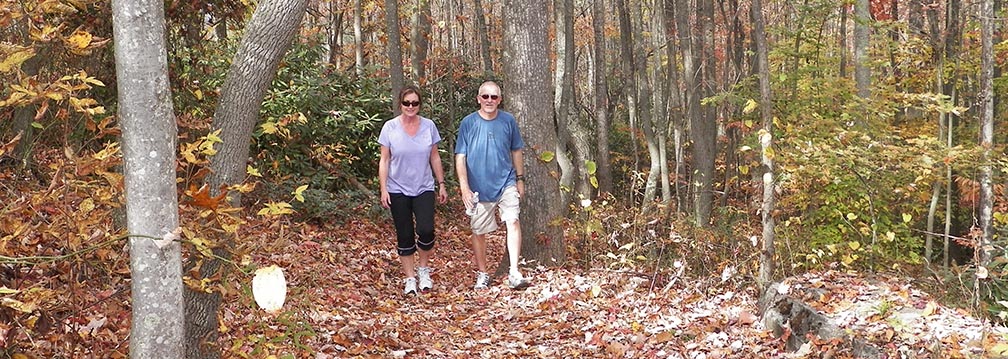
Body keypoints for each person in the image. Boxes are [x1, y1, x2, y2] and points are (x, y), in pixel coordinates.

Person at [454, 81, 530, 290]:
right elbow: (460, 156)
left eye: (494, 97)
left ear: (499, 100)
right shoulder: (468, 123)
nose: (489, 100)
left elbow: (516, 151)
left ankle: (514, 271)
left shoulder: (508, 121)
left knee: (512, 220)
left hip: (506, 181)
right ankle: (482, 273)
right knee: (478, 231)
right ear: (478, 98)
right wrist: (464, 187)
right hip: (478, 187)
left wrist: (520, 179)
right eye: (485, 96)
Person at [378, 85, 449, 295]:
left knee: (426, 230)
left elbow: (434, 156)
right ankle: (410, 278)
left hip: (424, 187)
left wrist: (442, 183)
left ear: (420, 105)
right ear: (400, 104)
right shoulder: (390, 128)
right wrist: (383, 189)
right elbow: (384, 160)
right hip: (397, 188)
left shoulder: (428, 126)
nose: (410, 106)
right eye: (407, 103)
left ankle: (423, 270)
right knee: (405, 234)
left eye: (415, 103)